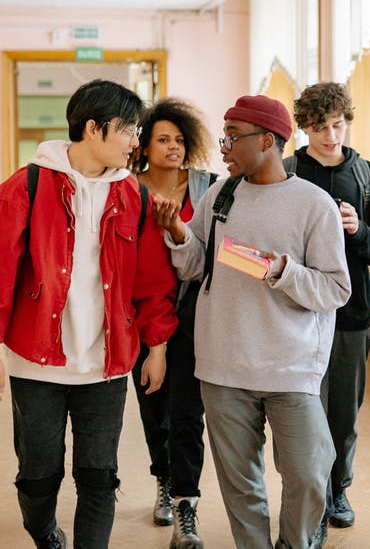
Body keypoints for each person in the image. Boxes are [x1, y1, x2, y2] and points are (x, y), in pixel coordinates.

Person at [0, 79, 179, 549]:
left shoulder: (134, 197)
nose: (136, 141)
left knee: (99, 476)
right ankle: (44, 533)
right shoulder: (27, 186)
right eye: (128, 130)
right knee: (39, 474)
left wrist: (156, 346)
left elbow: (153, 281)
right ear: (93, 129)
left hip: (106, 364)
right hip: (35, 359)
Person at [154, 94, 351, 549]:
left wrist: (281, 271)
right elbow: (194, 267)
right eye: (223, 136)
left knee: (308, 473)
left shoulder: (313, 204)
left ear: (268, 140)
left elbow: (336, 290)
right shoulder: (220, 196)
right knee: (241, 486)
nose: (223, 147)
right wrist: (180, 234)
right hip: (223, 366)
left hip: (291, 368)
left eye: (232, 137)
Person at [289, 82, 370, 530]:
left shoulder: (368, 174)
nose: (331, 135)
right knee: (302, 409)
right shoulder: (287, 170)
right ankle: (309, 496)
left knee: (343, 413)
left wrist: (357, 228)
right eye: (319, 127)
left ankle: (339, 490)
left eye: (338, 125)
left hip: (351, 315)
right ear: (305, 127)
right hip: (296, 312)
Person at [129, 98, 218, 548]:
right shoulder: (127, 189)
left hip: (194, 319)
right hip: (142, 319)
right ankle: (162, 479)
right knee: (154, 410)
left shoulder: (207, 187)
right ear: (144, 145)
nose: (174, 148)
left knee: (188, 415)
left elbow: (212, 256)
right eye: (163, 140)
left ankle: (186, 502)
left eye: (180, 140)